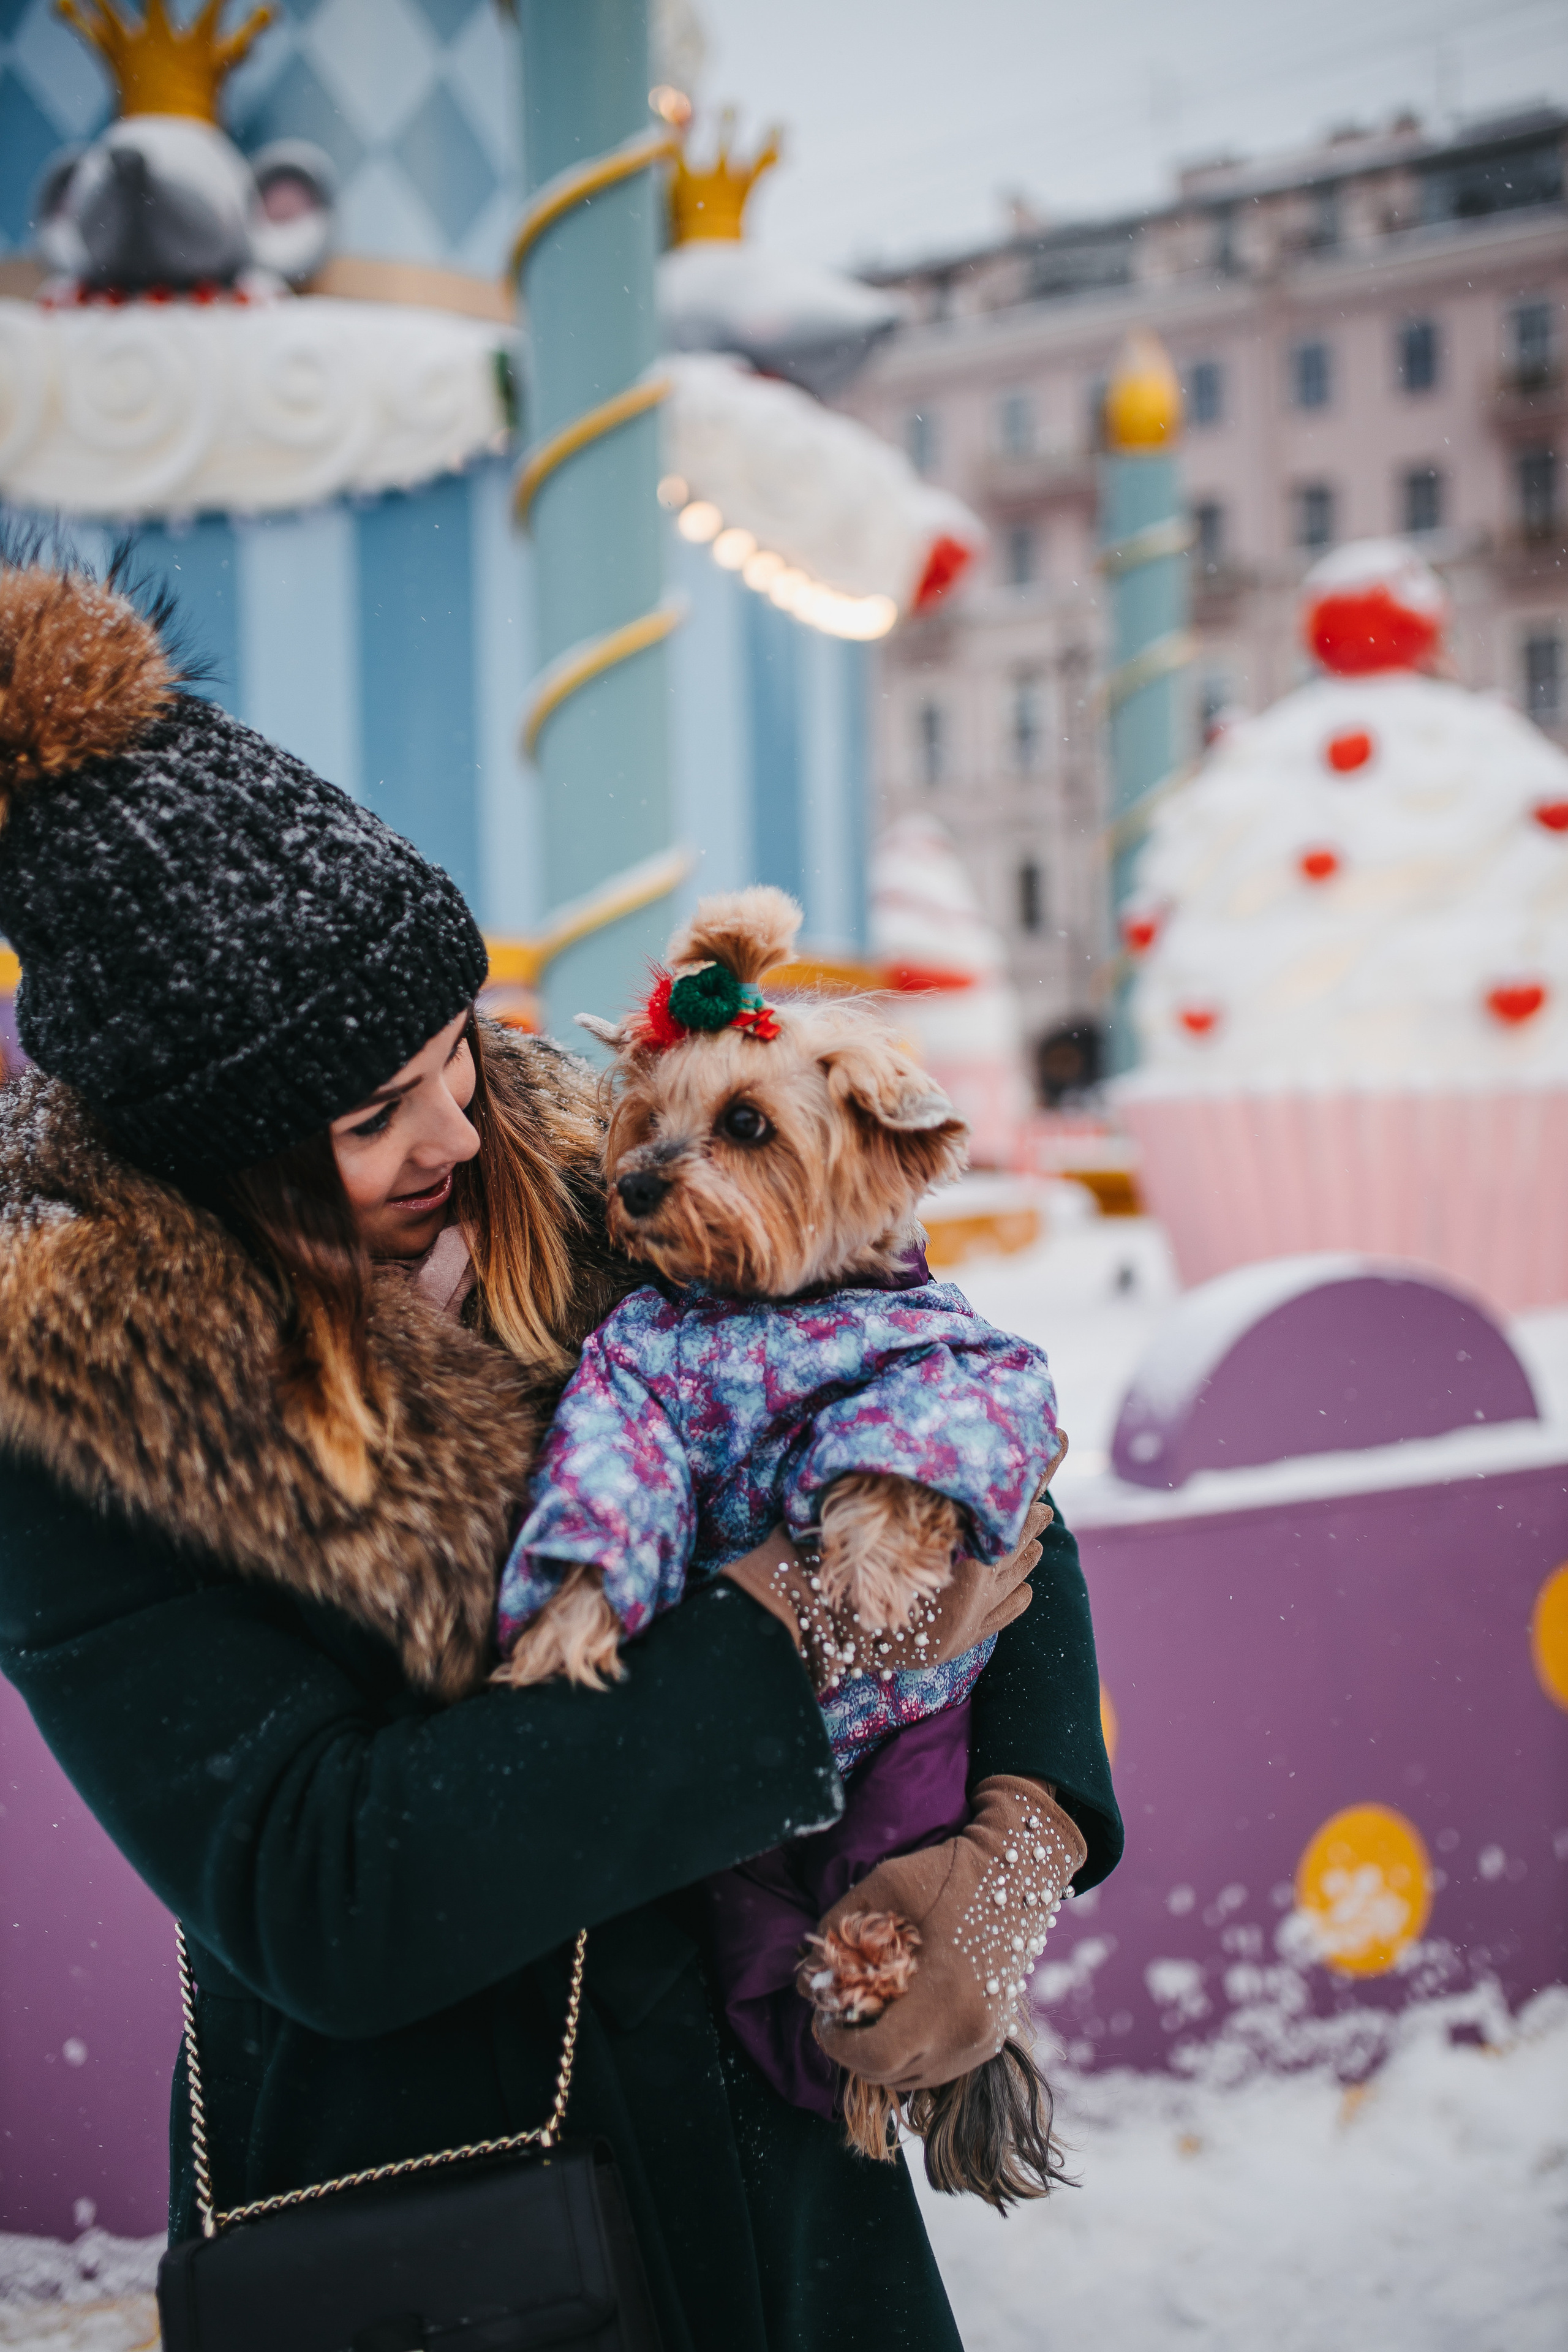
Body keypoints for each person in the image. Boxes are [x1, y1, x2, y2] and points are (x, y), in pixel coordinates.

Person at [0, 551, 1121, 2351]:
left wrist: (1020, 1831)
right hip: (456, 2221)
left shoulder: (616, 1170)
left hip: (779, 2179)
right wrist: (785, 1634)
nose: (460, 1119)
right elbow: (330, 1889)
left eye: (454, 1046)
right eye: (376, 1115)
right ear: (226, 1158)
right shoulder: (85, 1420)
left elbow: (970, 1453)